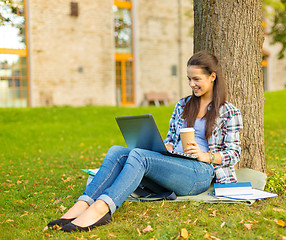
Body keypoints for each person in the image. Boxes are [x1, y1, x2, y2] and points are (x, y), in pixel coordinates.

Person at [47, 51, 243, 232]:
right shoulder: (183, 105)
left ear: (212, 77)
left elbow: (234, 153)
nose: (192, 84)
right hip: (174, 162)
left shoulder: (229, 111)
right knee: (117, 151)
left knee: (139, 156)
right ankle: (83, 203)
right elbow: (170, 138)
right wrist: (165, 146)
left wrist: (204, 155)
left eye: (196, 79)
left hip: (200, 172)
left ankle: (102, 207)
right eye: (189, 79)